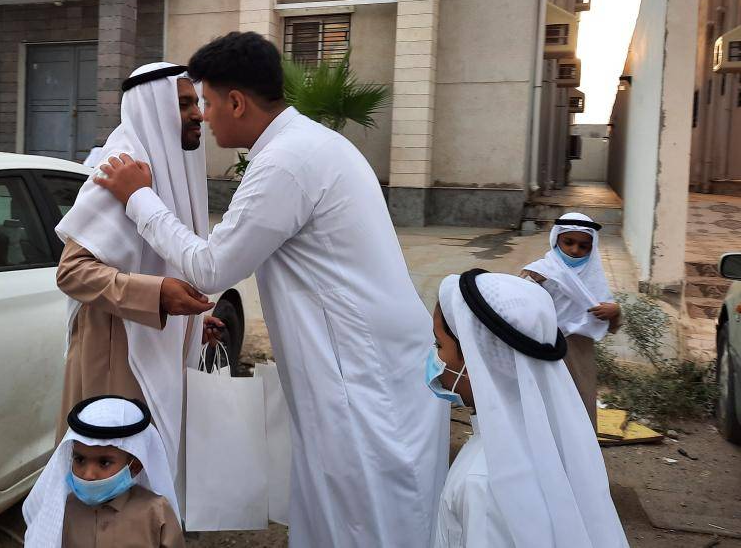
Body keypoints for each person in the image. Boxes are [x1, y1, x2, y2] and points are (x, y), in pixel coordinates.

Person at [96, 32, 448, 547]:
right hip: (367, 361)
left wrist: (139, 198)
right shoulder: (311, 143)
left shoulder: (286, 162)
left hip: (360, 372)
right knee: (345, 505)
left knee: (369, 514)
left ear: (237, 102)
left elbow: (211, 267)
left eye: (208, 103)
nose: (203, 117)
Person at [54, 62, 222, 508]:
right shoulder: (122, 168)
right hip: (115, 355)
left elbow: (163, 256)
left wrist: (192, 323)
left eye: (197, 102)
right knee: (114, 494)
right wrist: (158, 295)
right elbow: (72, 271)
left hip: (153, 342)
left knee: (148, 489)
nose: (198, 114)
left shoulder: (167, 169)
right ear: (153, 107)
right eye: (183, 104)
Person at [430, 270, 629, 548]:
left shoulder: (483, 482)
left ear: (476, 359)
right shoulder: (559, 438)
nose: (433, 356)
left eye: (439, 344)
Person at [23, 395, 185, 548]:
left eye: (104, 463)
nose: (88, 475)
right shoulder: (62, 510)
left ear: (134, 467)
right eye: (80, 460)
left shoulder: (156, 513)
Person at [520, 212, 621, 427]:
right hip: (541, 346)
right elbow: (516, 307)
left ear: (592, 247)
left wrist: (615, 311)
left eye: (583, 246)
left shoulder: (594, 276)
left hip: (579, 351)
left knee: (580, 401)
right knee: (543, 403)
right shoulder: (538, 272)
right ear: (556, 239)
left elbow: (611, 324)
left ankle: (581, 448)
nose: (575, 250)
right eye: (569, 242)